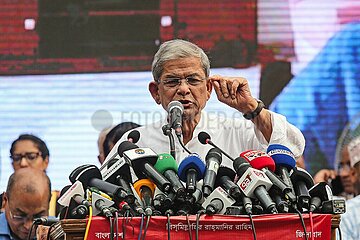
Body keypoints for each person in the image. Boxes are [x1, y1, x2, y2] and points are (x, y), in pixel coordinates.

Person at [105, 39, 305, 170]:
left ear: (208, 89)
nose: (183, 89)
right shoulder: (137, 141)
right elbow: (99, 191)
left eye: (193, 80)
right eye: (173, 81)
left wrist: (251, 108)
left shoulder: (235, 131)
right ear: (156, 92)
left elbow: (293, 146)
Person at [0, 168, 52, 240]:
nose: (29, 226)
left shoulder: (59, 232)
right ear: (5, 200)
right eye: (20, 216)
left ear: (49, 202)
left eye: (38, 217)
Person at [338, 135, 360, 239]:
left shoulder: (346, 213)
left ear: (354, 172)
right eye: (341, 166)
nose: (343, 174)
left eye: (349, 165)